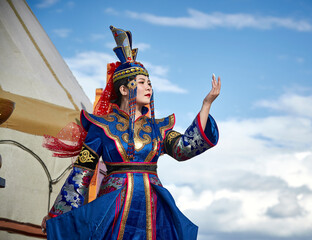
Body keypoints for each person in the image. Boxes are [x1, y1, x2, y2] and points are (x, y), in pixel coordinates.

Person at [41, 26, 221, 240]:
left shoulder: (159, 129)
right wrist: (58, 214)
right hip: (113, 208)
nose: (149, 88)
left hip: (153, 208)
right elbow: (82, 172)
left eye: (150, 83)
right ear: (124, 90)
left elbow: (185, 149)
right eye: (142, 82)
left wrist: (206, 104)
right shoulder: (101, 127)